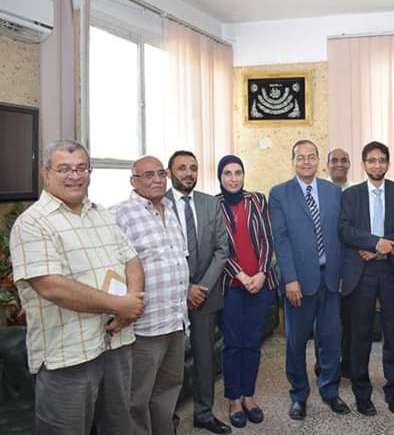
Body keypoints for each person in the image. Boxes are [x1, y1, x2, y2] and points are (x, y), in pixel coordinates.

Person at [10, 140, 144, 435]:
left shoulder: (101, 213)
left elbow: (131, 259)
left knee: (120, 426)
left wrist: (130, 304)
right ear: (46, 172)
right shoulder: (32, 223)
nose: (75, 176)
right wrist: (119, 305)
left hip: (116, 343)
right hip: (68, 355)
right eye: (64, 169)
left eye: (82, 168)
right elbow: (51, 287)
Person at [269, 140, 349, 420]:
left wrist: (342, 273)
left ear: (318, 160)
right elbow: (280, 240)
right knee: (296, 342)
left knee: (331, 340)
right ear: (292, 161)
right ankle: (299, 395)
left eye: (311, 157)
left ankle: (330, 391)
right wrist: (290, 279)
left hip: (330, 279)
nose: (306, 162)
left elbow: (341, 236)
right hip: (299, 282)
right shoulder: (279, 193)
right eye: (300, 157)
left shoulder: (333, 191)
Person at [112, 156, 189, 435]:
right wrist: (118, 310)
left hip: (176, 320)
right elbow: (110, 268)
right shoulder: (119, 214)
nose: (157, 180)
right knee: (137, 397)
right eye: (148, 175)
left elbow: (177, 259)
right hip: (145, 325)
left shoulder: (170, 209)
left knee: (169, 388)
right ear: (134, 181)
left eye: (160, 174)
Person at [340, 141, 394, 416]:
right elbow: (345, 230)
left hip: (390, 271)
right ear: (364, 164)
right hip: (362, 272)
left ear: (388, 163)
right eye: (371, 160)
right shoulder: (351, 194)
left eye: (381, 160)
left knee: (393, 333)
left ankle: (393, 390)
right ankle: (362, 393)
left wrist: (383, 246)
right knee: (360, 334)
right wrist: (375, 243)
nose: (377, 165)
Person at [166, 150, 230, 434]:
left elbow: (222, 249)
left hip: (206, 294)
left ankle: (204, 413)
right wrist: (185, 288)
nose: (188, 173)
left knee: (205, 360)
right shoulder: (157, 203)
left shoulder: (209, 203)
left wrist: (200, 288)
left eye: (193, 167)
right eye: (182, 168)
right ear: (170, 172)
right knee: (168, 364)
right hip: (169, 297)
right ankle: (165, 418)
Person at [216, 155, 278, 428]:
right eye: (227, 173)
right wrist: (241, 275)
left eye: (237, 172)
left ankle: (249, 396)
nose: (233, 178)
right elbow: (217, 247)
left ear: (243, 175)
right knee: (233, 344)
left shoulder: (257, 200)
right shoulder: (213, 205)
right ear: (220, 177)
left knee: (252, 342)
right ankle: (233, 399)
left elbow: (267, 239)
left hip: (260, 284)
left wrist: (261, 273)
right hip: (231, 285)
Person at [323, 147, 355, 380]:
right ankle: (324, 365)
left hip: (352, 264)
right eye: (334, 160)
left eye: (344, 160)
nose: (339, 164)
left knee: (350, 320)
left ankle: (348, 365)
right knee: (325, 322)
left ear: (349, 164)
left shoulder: (356, 191)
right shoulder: (319, 191)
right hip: (325, 266)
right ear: (327, 165)